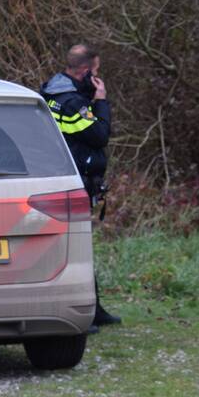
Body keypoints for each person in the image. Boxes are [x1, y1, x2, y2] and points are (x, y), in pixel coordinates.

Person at [41, 44, 121, 329]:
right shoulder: (72, 102)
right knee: (77, 249)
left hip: (64, 180)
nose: (98, 77)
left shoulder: (51, 93)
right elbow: (99, 134)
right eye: (96, 72)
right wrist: (100, 100)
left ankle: (94, 309)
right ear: (86, 72)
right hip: (74, 183)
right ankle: (82, 313)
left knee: (78, 247)